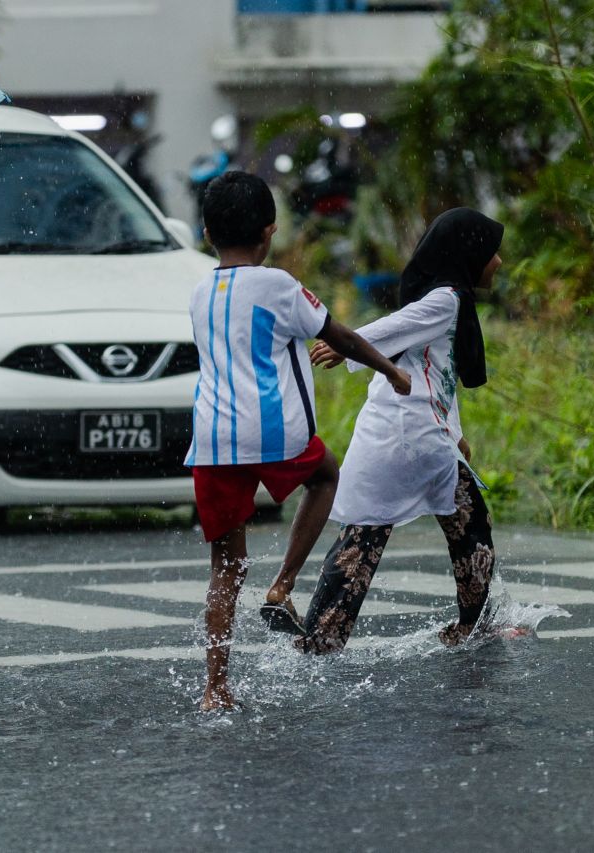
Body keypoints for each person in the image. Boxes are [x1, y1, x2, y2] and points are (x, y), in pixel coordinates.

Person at [187, 170, 410, 711]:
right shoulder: (280, 287)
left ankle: (216, 688)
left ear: (206, 232)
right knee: (326, 475)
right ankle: (283, 584)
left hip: (213, 438)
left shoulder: (200, 292)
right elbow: (341, 338)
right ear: (269, 232)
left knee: (225, 567)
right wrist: (391, 371)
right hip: (271, 430)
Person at [292, 208, 503, 654]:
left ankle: (320, 640)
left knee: (362, 541)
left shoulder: (447, 302)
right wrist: (341, 341)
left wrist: (456, 431)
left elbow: (438, 374)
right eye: (492, 252)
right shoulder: (446, 300)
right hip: (413, 437)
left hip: (402, 433)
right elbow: (394, 328)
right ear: (470, 254)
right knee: (469, 528)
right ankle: (475, 626)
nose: (498, 262)